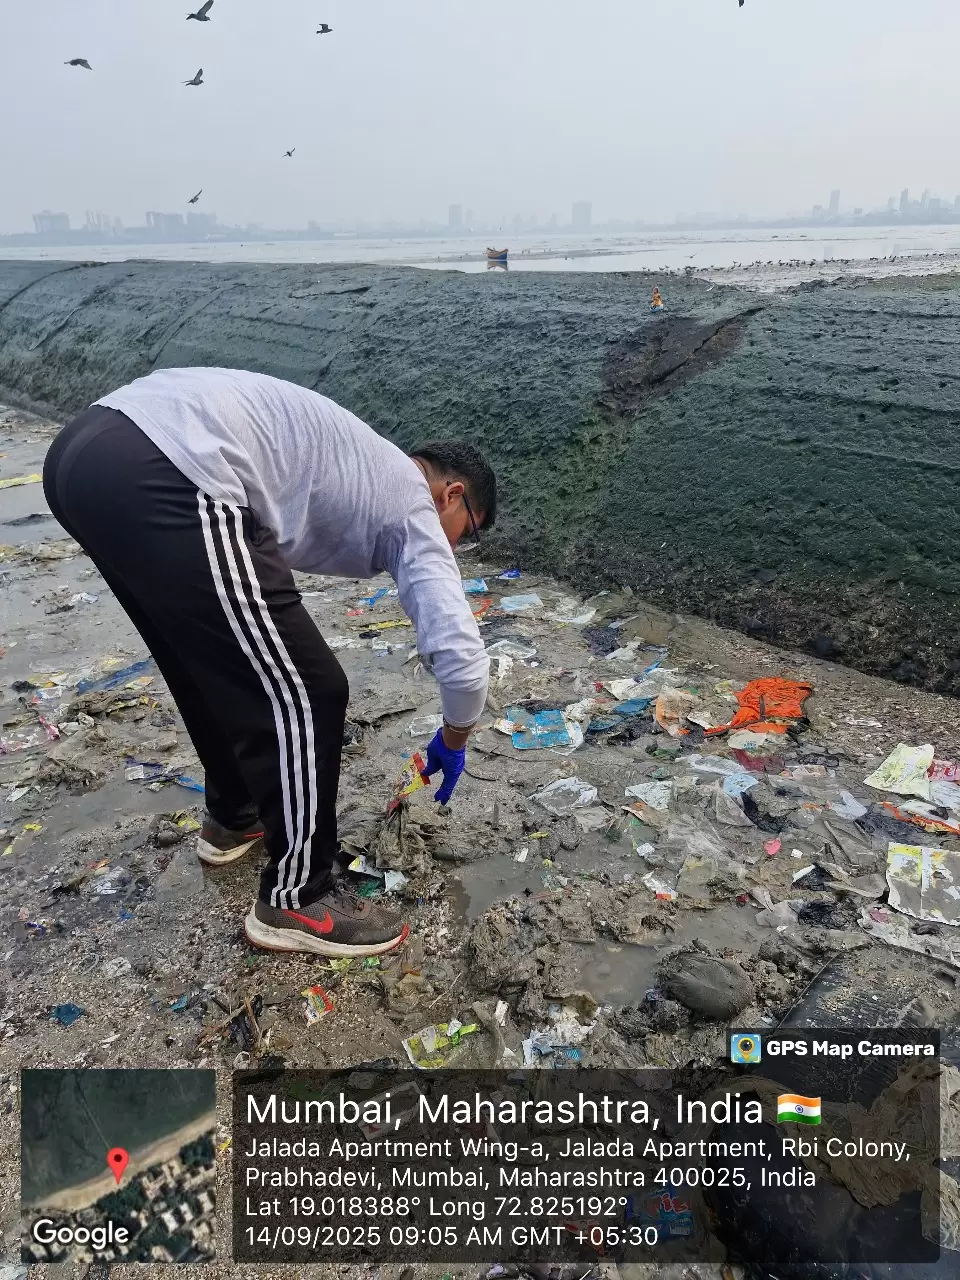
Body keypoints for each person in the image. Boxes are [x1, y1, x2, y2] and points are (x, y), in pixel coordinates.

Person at [42, 367, 496, 960]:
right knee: (312, 689)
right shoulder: (414, 505)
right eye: (470, 534)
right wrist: (456, 735)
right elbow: (461, 659)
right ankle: (297, 895)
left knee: (209, 657)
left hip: (88, 451)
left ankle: (235, 817)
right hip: (169, 461)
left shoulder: (364, 463)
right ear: (453, 494)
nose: (456, 547)